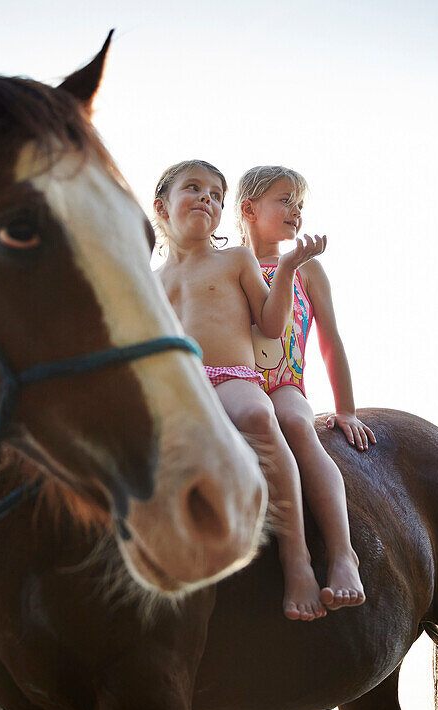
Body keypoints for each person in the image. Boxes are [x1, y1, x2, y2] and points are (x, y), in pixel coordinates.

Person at [154, 160, 327, 621]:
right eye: (194, 188)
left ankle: (297, 559)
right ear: (161, 207)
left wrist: (288, 268)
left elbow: (271, 326)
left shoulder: (235, 259)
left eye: (216, 195)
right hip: (185, 390)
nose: (207, 199)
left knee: (255, 415)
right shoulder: (154, 282)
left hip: (233, 375)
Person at [235, 165, 376, 610]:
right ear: (248, 208)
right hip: (237, 383)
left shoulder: (307, 269)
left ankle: (341, 554)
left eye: (300, 204)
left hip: (285, 384)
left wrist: (346, 409)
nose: (296, 211)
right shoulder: (229, 265)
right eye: (285, 200)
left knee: (297, 424)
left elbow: (330, 339)